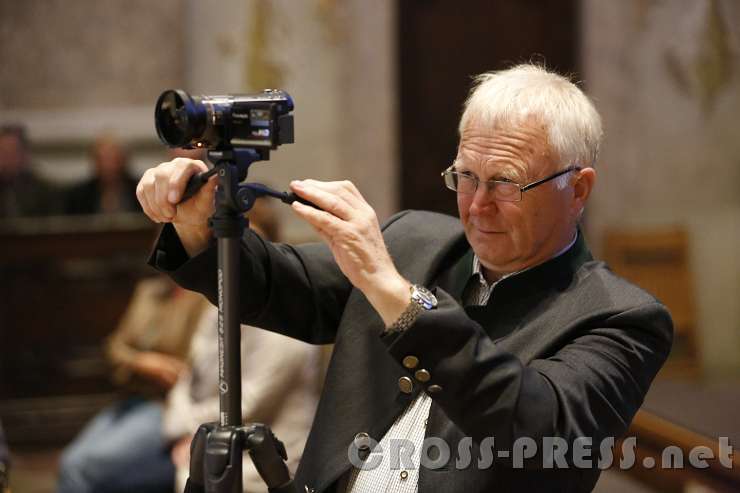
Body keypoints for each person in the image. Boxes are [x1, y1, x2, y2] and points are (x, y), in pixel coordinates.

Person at [136, 64, 673, 492]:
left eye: (507, 183)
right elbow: (277, 285)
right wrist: (197, 227)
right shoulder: (412, 238)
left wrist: (393, 293)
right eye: (466, 176)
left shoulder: (621, 317)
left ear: (577, 189)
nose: (478, 206)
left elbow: (538, 429)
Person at [57, 276, 208, 493]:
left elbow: (188, 367)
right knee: (69, 461)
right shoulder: (149, 291)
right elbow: (114, 349)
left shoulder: (206, 297)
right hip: (130, 400)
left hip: (166, 407)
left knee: (79, 468)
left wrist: (132, 360)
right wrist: (143, 362)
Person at [64, 134, 140, 215]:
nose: (107, 165)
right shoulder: (78, 196)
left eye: (113, 159)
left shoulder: (139, 190)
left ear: (123, 160)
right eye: (103, 159)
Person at [0, 124, 60, 217]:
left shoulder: (44, 192)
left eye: (12, 151)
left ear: (25, 154)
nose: (6, 158)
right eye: (2, 152)